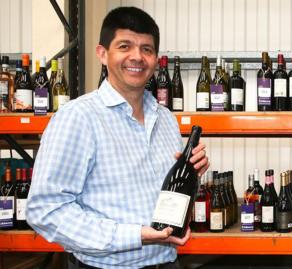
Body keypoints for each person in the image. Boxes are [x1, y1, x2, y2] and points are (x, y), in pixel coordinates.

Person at [26, 6, 209, 269]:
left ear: (156, 59)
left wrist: (192, 173)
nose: (137, 57)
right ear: (103, 53)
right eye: (125, 46)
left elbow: (160, 192)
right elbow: (45, 209)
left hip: (167, 262)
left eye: (147, 49)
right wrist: (133, 236)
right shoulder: (78, 118)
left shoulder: (166, 118)